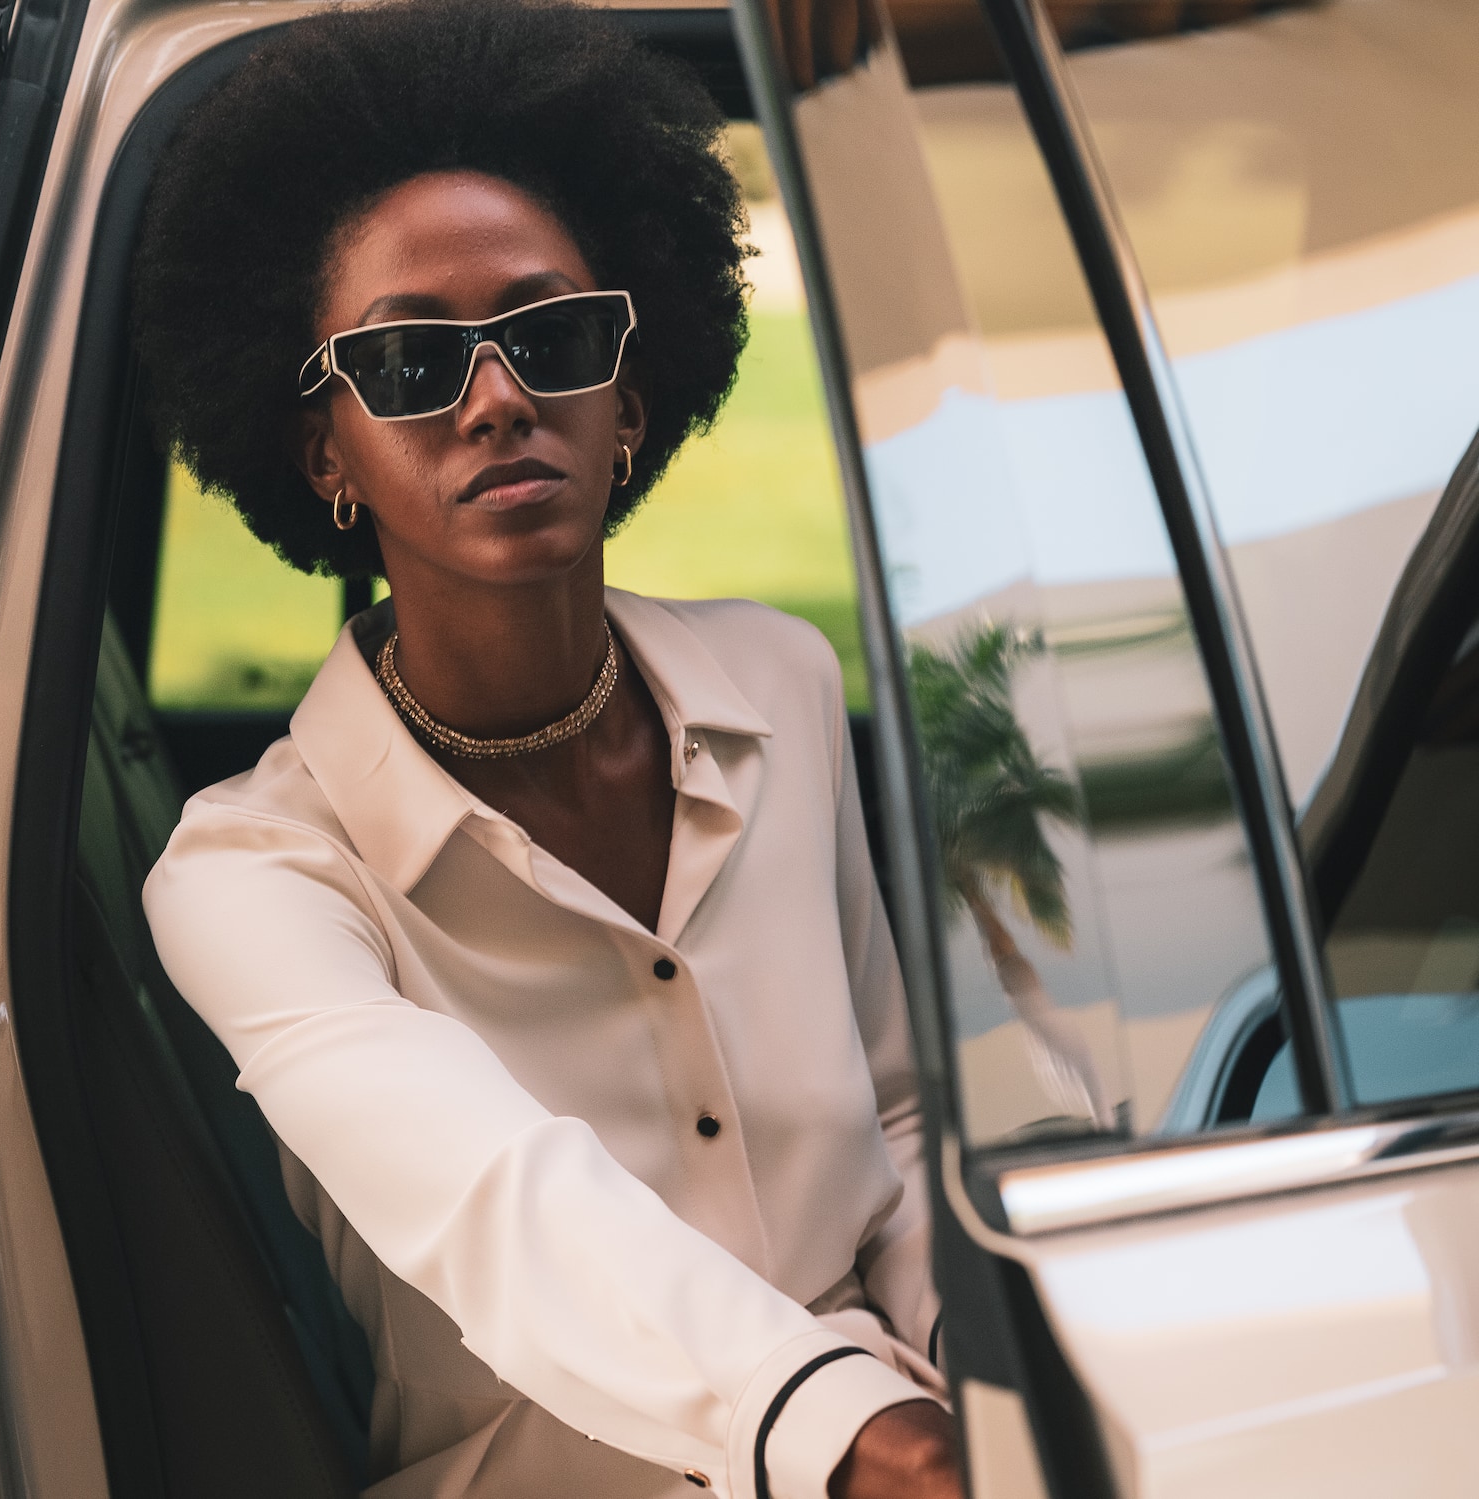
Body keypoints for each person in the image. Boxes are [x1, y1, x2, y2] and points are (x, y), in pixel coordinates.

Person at [133, 2, 961, 1494]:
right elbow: (504, 1205)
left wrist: (972, 1367)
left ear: (628, 397)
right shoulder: (253, 876)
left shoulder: (780, 680)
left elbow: (892, 1116)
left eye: (554, 337)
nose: (498, 398)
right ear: (324, 449)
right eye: (409, 365)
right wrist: (857, 1434)